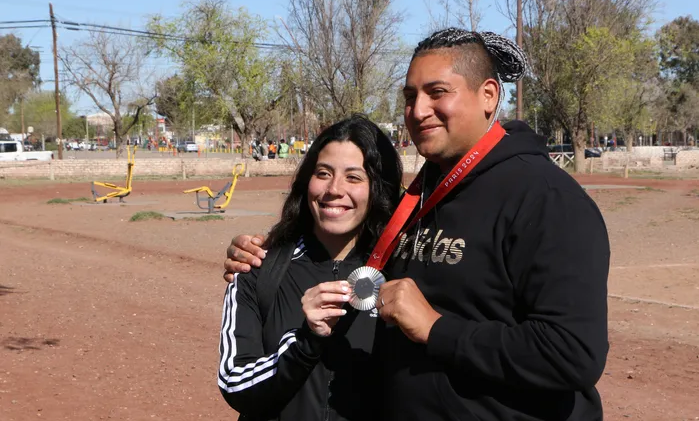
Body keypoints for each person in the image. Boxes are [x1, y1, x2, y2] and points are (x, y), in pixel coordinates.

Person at [225, 27, 610, 420]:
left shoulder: (546, 198)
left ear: (489, 96)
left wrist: (437, 329)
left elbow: (572, 352)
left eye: (437, 92)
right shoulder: (422, 195)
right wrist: (261, 252)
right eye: (410, 96)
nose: (419, 110)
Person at [218, 114, 403, 420]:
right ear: (307, 182)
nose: (334, 189)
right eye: (323, 173)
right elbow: (235, 384)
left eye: (354, 177)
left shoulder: (400, 271)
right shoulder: (258, 268)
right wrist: (305, 343)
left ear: (377, 189)